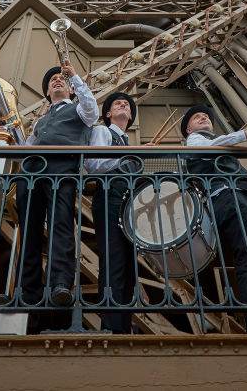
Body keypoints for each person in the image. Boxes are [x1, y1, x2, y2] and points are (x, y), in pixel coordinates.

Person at [181, 105, 247, 334]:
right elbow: (208, 148)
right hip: (227, 197)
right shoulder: (195, 140)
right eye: (196, 117)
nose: (203, 117)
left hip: (237, 198)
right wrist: (245, 134)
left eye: (206, 116)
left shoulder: (219, 144)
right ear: (188, 129)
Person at [17, 61, 100, 311]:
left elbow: (93, 110)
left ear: (71, 89)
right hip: (32, 173)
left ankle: (60, 283)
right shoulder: (40, 122)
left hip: (61, 170)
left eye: (60, 79)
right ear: (46, 93)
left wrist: (74, 77)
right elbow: (26, 149)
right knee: (28, 231)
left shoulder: (80, 109)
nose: (56, 80)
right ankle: (27, 290)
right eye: (52, 80)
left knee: (60, 224)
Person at [87, 91, 139, 333]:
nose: (123, 105)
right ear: (108, 113)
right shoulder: (103, 131)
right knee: (114, 260)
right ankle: (111, 327)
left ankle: (123, 327)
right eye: (118, 103)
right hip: (109, 198)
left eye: (127, 105)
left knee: (130, 267)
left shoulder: (128, 143)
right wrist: (128, 157)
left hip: (129, 204)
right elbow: (94, 164)